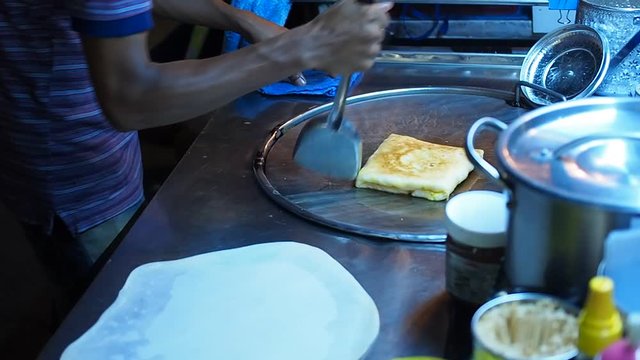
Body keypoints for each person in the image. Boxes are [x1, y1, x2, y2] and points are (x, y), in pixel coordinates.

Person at [0, 0, 392, 324]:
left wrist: (238, 18)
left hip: (82, 145)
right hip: (75, 177)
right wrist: (304, 46)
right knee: (114, 313)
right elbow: (129, 99)